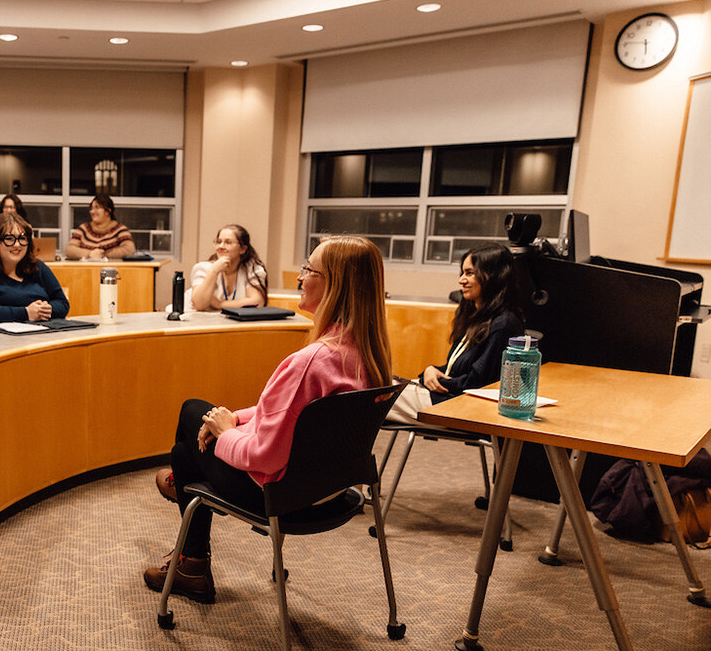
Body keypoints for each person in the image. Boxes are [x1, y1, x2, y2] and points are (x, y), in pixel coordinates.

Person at [145, 235, 392, 603]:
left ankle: (191, 552)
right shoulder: (369, 355)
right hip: (331, 491)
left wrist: (226, 432)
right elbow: (289, 415)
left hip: (283, 497)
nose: (299, 277)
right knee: (193, 443)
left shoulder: (309, 363)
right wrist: (237, 419)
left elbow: (265, 457)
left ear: (334, 285)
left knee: (190, 421)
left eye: (309, 270)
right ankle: (188, 537)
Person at [386, 242, 523, 425]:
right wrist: (430, 371)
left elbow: (477, 384)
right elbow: (456, 371)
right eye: (462, 273)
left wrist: (431, 383)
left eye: (470, 273)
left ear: (493, 276)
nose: (461, 280)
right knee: (375, 388)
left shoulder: (504, 324)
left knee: (371, 394)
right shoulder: (476, 316)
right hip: (447, 397)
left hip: (460, 407)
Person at [0, 211, 69, 326]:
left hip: (36, 335)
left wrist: (46, 310)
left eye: (22, 238)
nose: (17, 245)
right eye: (9, 239)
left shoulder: (37, 267)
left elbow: (62, 303)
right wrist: (26, 313)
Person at [188, 224, 268, 312]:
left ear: (242, 249)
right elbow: (199, 305)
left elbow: (257, 302)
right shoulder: (202, 268)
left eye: (228, 242)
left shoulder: (252, 270)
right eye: (218, 242)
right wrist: (214, 271)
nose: (221, 246)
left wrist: (219, 304)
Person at [66, 193, 135, 261]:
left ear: (108, 211)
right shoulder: (83, 228)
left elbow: (129, 250)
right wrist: (90, 254)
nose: (92, 211)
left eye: (97, 207)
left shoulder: (120, 229)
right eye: (91, 208)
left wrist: (103, 255)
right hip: (87, 270)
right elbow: (69, 250)